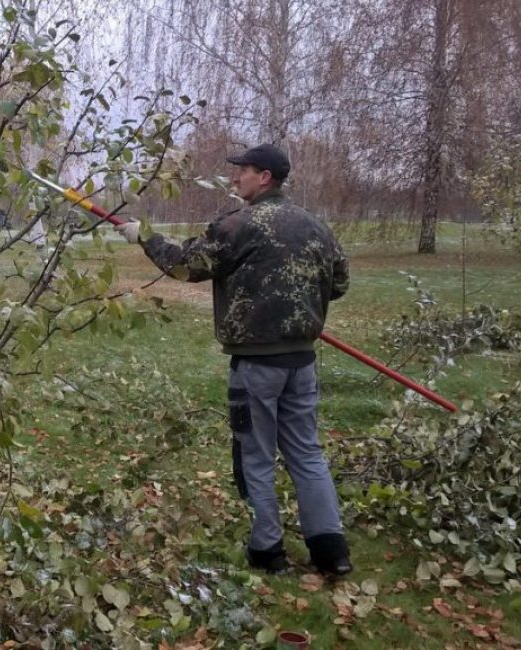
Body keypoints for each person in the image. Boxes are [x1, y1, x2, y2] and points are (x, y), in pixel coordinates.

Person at [114, 144, 352, 576]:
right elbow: (338, 283)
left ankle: (268, 551)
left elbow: (186, 265)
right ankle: (331, 552)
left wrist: (144, 236)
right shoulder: (316, 226)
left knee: (255, 455)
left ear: (265, 177)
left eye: (241, 171)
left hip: (257, 365)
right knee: (307, 453)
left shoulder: (237, 225)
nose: (234, 177)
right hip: (302, 362)